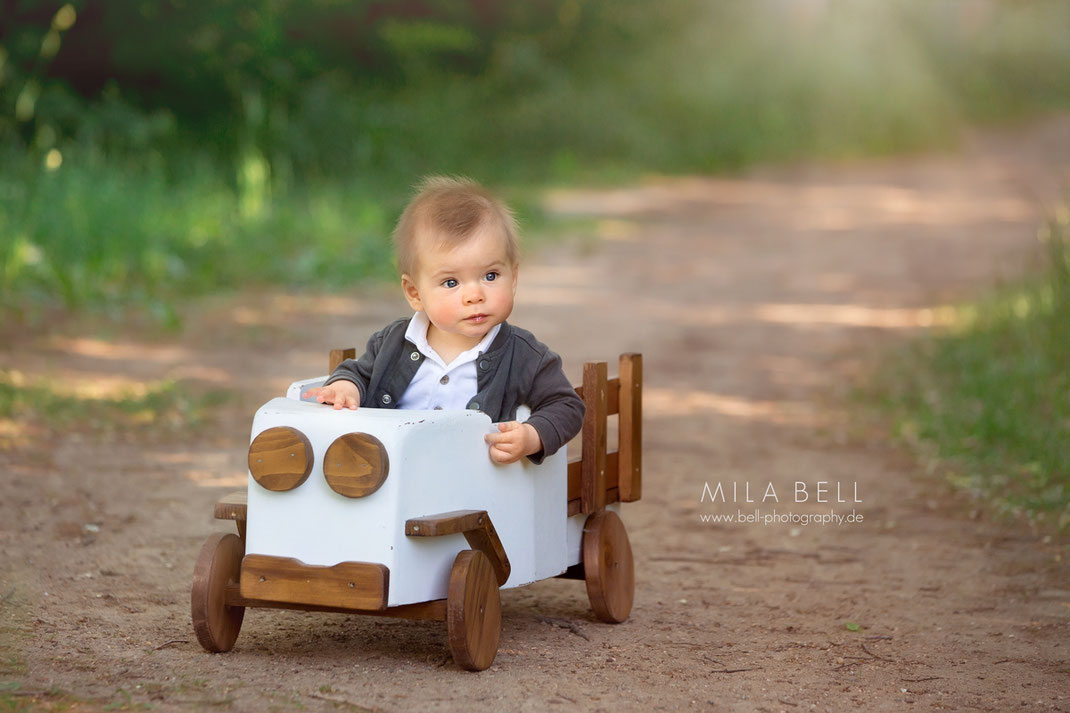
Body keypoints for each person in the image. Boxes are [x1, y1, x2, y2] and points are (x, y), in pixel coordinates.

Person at [303, 176, 585, 465]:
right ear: (415, 293)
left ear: (513, 278)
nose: (475, 295)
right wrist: (346, 388)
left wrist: (531, 436)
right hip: (394, 478)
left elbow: (566, 405)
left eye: (490, 276)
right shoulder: (393, 343)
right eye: (451, 282)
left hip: (472, 489)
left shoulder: (525, 356)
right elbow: (360, 374)